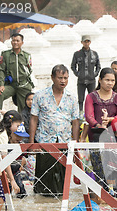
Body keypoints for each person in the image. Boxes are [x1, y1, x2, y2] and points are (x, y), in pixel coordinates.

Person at [29, 64, 80, 196]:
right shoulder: (40, 95)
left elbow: (75, 122)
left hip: (64, 141)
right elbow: (34, 119)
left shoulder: (72, 98)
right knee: (43, 177)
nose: (63, 81)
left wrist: (75, 145)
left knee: (62, 178)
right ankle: (42, 204)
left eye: (66, 78)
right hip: (45, 141)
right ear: (52, 78)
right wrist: (31, 143)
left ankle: (59, 204)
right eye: (60, 78)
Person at [84, 67, 117, 191]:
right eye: (107, 80)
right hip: (96, 137)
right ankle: (102, 194)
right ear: (100, 80)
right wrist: (99, 125)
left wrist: (111, 120)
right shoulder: (91, 97)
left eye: (113, 80)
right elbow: (89, 116)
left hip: (115, 137)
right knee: (99, 168)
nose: (110, 83)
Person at [0, 33, 34, 114]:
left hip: (23, 86)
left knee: (23, 111)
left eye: (17, 41)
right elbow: (0, 70)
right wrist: (1, 84)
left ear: (22, 43)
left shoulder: (26, 56)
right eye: (13, 40)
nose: (15, 42)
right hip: (11, 85)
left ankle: (22, 123)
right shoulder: (5, 55)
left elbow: (29, 71)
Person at [70, 35, 101, 112]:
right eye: (85, 41)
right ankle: (80, 114)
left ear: (90, 42)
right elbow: (73, 66)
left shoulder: (94, 54)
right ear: (82, 42)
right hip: (81, 80)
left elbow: (98, 66)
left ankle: (92, 113)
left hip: (91, 80)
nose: (86, 43)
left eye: (88, 41)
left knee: (92, 98)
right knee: (80, 99)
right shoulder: (77, 54)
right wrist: (78, 74)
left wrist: (95, 74)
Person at [9, 122, 30, 198]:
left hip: (16, 171)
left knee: (21, 188)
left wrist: (21, 165)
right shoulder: (6, 144)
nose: (19, 138)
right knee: (7, 189)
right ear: (11, 133)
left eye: (21, 136)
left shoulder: (22, 144)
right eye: (17, 135)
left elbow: (25, 157)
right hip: (6, 171)